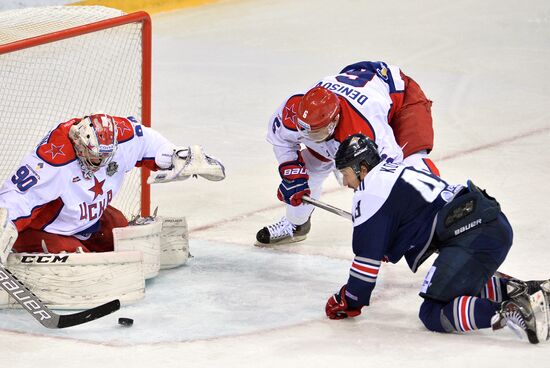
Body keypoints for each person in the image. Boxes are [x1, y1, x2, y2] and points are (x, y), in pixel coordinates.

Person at [325, 133, 550, 344]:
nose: (345, 183)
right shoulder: (393, 169)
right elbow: (414, 218)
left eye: (345, 174)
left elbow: (366, 265)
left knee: (432, 313)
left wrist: (348, 299)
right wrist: (385, 244)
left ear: (362, 169)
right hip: (490, 223)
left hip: (471, 236)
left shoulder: (369, 192)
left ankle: (515, 310)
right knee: (458, 281)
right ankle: (524, 291)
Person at [256, 60, 438, 246]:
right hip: (354, 94)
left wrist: (386, 223)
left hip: (400, 99)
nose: (308, 137)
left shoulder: (366, 129)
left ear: (335, 120)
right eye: (304, 131)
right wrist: (291, 172)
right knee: (304, 177)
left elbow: (389, 172)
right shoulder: (292, 111)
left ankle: (434, 218)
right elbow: (281, 140)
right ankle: (296, 226)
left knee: (413, 165)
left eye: (316, 132)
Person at [0, 113, 225, 261]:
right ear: (79, 144)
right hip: (47, 228)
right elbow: (17, 198)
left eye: (106, 157)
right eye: (95, 158)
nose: (101, 164)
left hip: (89, 217)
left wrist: (180, 157)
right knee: (83, 266)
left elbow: (152, 145)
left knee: (125, 237)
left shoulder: (122, 136)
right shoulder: (52, 161)